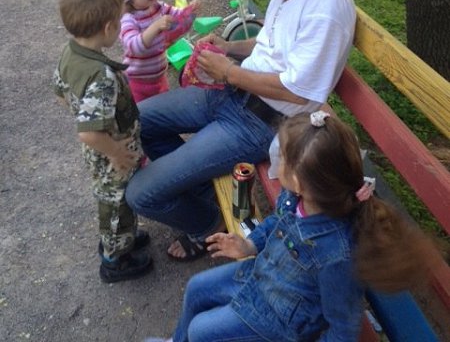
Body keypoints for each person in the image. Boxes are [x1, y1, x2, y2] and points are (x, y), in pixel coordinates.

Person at [126, 0, 356, 261]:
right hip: (231, 95)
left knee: (140, 194)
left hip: (258, 122)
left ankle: (207, 223)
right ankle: (202, 194)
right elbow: (269, 45)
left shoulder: (326, 4)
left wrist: (229, 72)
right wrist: (229, 48)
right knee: (135, 120)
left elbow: (300, 91)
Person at [145, 112, 441, 342]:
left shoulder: (336, 255)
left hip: (279, 319)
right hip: (263, 275)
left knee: (201, 331)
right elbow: (277, 222)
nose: (277, 161)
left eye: (283, 157)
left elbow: (343, 326)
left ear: (299, 181)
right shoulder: (297, 198)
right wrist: (249, 244)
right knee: (197, 288)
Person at [52, 0, 153, 283]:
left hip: (101, 148)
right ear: (108, 28)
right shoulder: (101, 76)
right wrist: (116, 152)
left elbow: (60, 91)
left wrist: (82, 113)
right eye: (120, 21)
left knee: (116, 199)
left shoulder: (72, 52)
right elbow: (88, 132)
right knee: (116, 203)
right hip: (110, 153)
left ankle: (124, 238)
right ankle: (114, 259)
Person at [111, 0, 201, 103]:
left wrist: (190, 11)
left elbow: (179, 18)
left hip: (159, 77)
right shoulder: (128, 19)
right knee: (142, 112)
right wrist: (155, 27)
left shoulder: (159, 7)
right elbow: (134, 47)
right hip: (137, 82)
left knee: (163, 109)